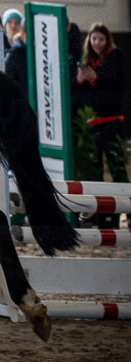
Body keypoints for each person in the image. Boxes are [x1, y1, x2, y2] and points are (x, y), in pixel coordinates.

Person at [74, 23, 128, 228]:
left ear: (107, 41)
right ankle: (96, 216)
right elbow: (80, 93)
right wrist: (79, 80)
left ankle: (126, 213)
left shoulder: (116, 56)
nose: (97, 43)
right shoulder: (86, 59)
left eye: (101, 39)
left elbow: (118, 87)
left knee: (117, 168)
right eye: (94, 39)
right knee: (93, 171)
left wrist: (95, 79)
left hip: (112, 122)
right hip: (91, 124)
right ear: (89, 40)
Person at [1, 8, 29, 95]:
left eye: (16, 23)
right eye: (10, 22)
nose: (13, 26)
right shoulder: (1, 45)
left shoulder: (26, 49)